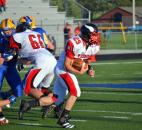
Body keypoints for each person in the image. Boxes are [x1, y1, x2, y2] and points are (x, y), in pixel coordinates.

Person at [53, 23, 101, 128]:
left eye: (95, 34)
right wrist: (79, 72)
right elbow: (67, 65)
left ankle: (51, 109)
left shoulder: (94, 46)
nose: (95, 37)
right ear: (86, 34)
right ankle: (63, 119)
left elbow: (86, 59)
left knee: (58, 98)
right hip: (62, 69)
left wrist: (89, 69)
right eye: (93, 35)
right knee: (75, 92)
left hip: (69, 69)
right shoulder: (74, 42)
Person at [8, 22, 58, 120]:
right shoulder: (36, 34)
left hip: (42, 63)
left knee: (28, 88)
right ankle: (56, 106)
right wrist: (20, 60)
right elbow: (32, 54)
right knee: (44, 89)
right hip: (52, 60)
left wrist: (10, 56)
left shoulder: (17, 36)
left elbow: (12, 52)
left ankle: (34, 104)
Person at [0, 18, 23, 100]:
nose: (7, 32)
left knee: (19, 91)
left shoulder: (17, 36)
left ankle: (4, 98)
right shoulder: (1, 38)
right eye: (4, 30)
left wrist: (21, 60)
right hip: (1, 66)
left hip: (11, 67)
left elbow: (20, 50)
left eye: (9, 30)